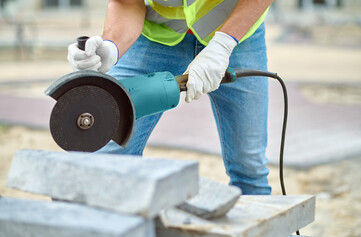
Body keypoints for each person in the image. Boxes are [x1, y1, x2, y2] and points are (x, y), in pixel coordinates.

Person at [67, 0, 274, 195]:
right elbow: (127, 3)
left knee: (249, 164)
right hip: (158, 36)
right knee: (106, 149)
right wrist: (112, 46)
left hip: (238, 33)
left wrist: (224, 44)